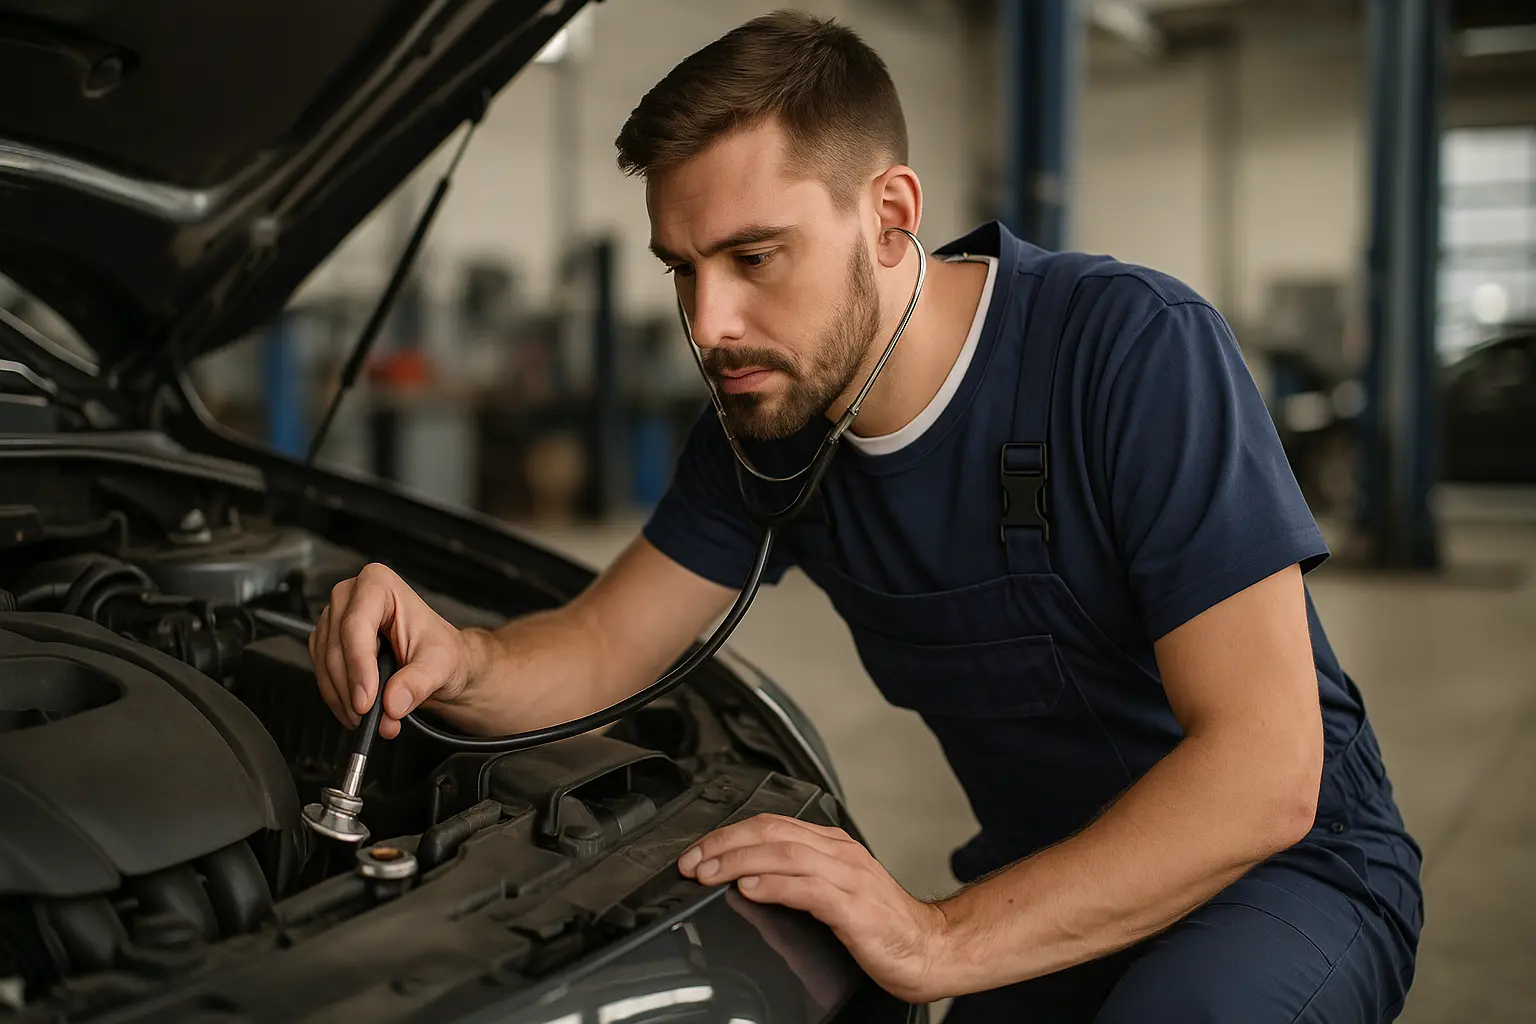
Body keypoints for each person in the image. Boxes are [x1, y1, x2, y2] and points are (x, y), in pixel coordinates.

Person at [309, 11, 1422, 1021]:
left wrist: (938, 933)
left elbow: (1268, 770)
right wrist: (458, 657)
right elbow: (607, 640)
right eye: (681, 270)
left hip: (1289, 878)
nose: (710, 323)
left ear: (890, 215)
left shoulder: (1129, 351)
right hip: (1051, 879)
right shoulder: (764, 425)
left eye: (753, 257)